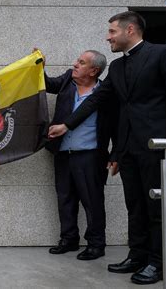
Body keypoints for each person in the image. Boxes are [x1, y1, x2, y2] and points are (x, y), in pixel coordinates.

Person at [49, 11, 166, 285]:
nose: (108, 37)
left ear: (130, 31)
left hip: (156, 146)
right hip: (127, 149)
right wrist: (67, 126)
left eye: (112, 32)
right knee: (134, 206)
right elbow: (95, 101)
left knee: (155, 208)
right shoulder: (115, 67)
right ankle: (137, 255)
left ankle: (157, 263)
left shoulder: (163, 54)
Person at [45, 50, 118, 261]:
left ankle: (96, 244)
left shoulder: (105, 92)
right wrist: (38, 66)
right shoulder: (68, 79)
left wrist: (116, 154)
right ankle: (68, 239)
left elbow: (117, 125)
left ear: (94, 70)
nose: (75, 64)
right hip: (63, 154)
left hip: (90, 156)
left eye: (81, 62)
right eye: (77, 60)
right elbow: (48, 85)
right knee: (65, 199)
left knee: (92, 201)